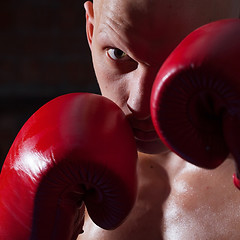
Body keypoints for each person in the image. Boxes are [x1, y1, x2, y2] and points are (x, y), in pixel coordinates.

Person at [78, 0, 240, 239]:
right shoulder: (70, 173)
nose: (140, 105)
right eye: (119, 54)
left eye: (177, 62)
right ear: (91, 29)